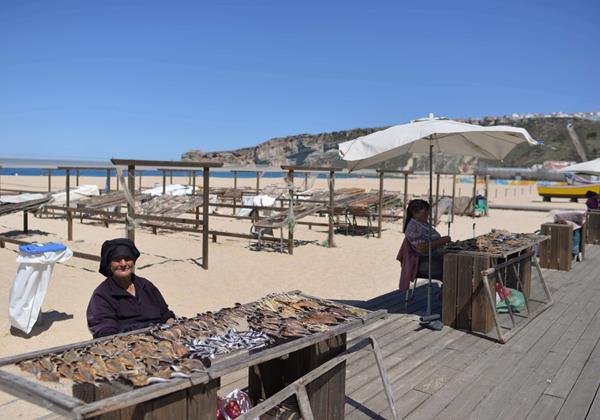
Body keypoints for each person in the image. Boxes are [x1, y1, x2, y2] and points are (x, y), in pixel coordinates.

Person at [86, 238, 175, 338]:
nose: (123, 264)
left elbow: (166, 314)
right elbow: (105, 331)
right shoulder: (102, 295)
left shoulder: (146, 286)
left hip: (161, 337)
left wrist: (171, 334)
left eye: (127, 259)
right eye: (117, 260)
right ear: (109, 265)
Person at [403, 199, 451, 280]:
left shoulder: (423, 223)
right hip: (425, 262)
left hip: (434, 258)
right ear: (415, 213)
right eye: (425, 211)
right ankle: (449, 290)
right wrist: (442, 241)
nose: (427, 214)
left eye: (428, 211)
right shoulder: (413, 227)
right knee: (455, 267)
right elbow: (421, 248)